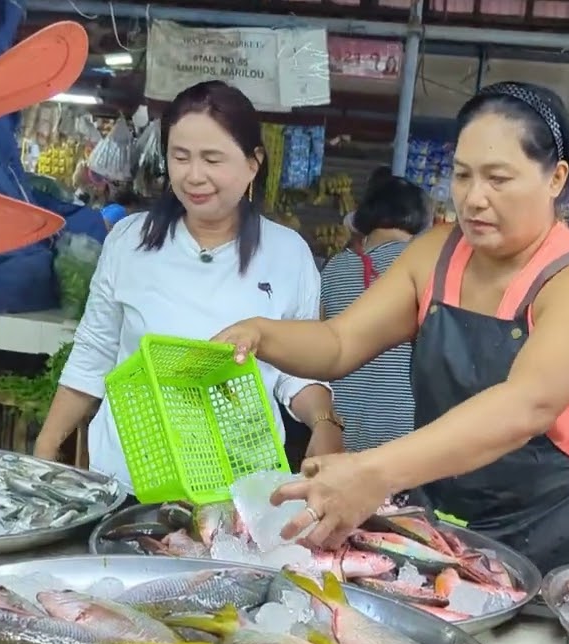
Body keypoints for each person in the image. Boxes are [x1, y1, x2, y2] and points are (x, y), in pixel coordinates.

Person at [213, 81, 569, 573]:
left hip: (566, 531)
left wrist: (375, 471)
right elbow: (339, 342)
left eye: (498, 179)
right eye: (462, 175)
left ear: (555, 178)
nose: (474, 198)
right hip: (453, 525)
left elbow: (528, 403)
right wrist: (262, 334)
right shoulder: (436, 253)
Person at [34, 80, 342, 493]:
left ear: (253, 163)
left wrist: (324, 424)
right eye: (181, 157)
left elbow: (299, 370)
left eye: (212, 159)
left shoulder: (288, 254)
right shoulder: (129, 240)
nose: (194, 176)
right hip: (127, 480)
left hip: (239, 488)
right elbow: (94, 353)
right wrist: (44, 451)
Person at [321, 173, 430, 453]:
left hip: (340, 422)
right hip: (403, 425)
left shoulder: (334, 268)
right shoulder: (423, 267)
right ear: (417, 217)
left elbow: (317, 338)